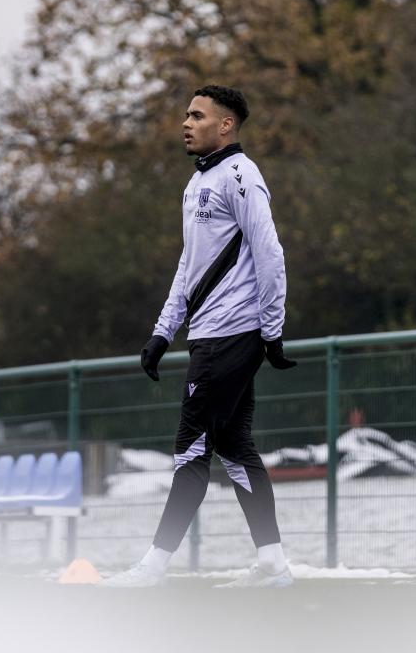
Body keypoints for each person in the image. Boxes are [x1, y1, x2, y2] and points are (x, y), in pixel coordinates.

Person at [101, 85, 297, 588]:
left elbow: (270, 254)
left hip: (234, 333)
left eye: (197, 115)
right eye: (186, 115)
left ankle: (153, 567)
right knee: (234, 447)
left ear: (225, 125)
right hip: (209, 334)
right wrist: (162, 332)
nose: (185, 123)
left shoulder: (241, 176)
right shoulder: (196, 184)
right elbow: (192, 265)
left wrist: (271, 332)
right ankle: (274, 565)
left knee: (190, 451)